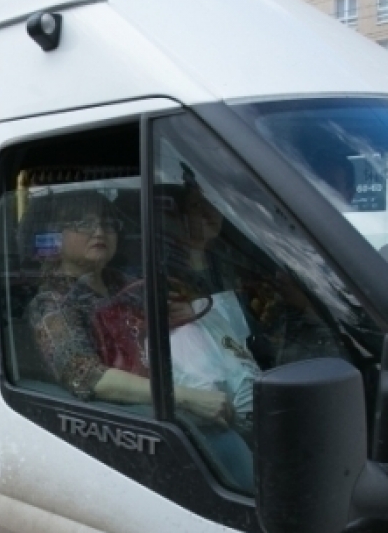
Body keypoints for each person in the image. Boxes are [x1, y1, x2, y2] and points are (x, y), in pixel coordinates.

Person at [26, 190, 255, 490]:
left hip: (181, 388)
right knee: (227, 448)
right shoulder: (51, 304)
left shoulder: (125, 281)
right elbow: (88, 377)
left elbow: (196, 299)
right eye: (82, 223)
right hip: (127, 417)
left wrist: (186, 302)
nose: (99, 231)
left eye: (108, 224)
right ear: (54, 237)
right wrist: (183, 397)